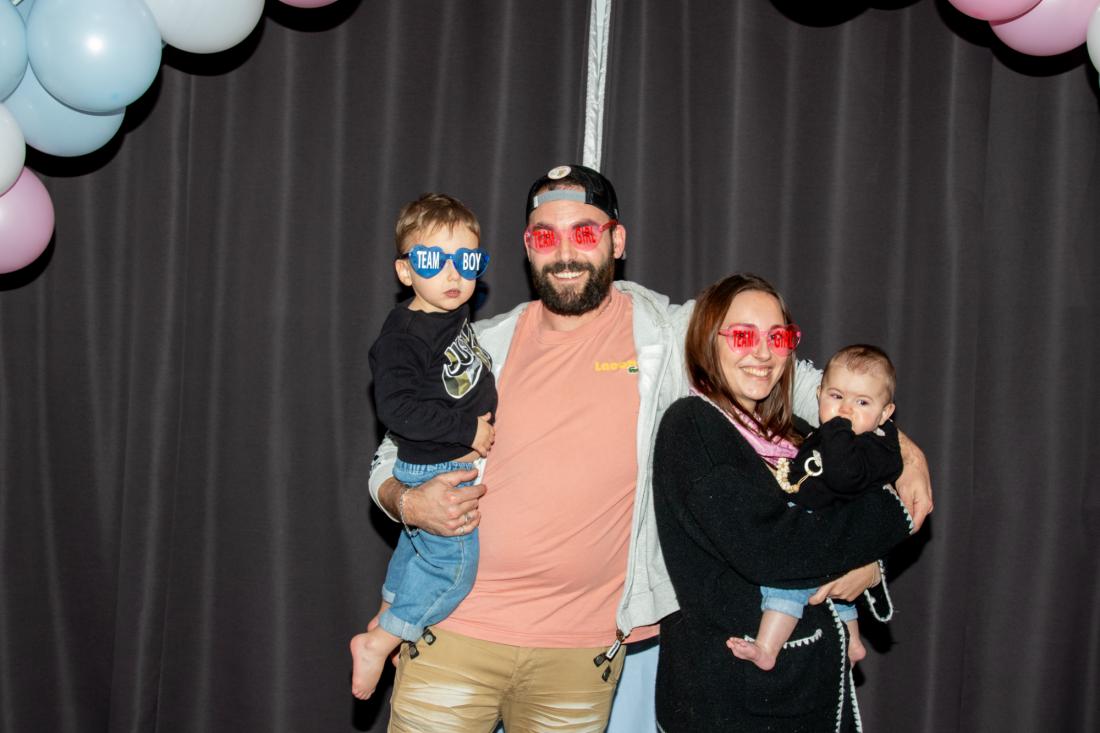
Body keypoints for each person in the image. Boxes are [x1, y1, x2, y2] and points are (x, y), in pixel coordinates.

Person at [368, 166, 933, 732]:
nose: (564, 252)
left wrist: (906, 455)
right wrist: (406, 501)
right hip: (456, 630)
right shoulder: (481, 342)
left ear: (617, 241)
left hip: (581, 656)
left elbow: (801, 383)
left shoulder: (668, 332)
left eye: (584, 232)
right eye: (545, 236)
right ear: (527, 247)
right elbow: (392, 455)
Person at [652, 273, 915, 731]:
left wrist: (870, 566)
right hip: (733, 699)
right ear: (707, 342)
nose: (763, 352)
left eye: (777, 337)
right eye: (742, 336)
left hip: (809, 687)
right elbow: (774, 549)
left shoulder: (797, 430)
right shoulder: (692, 426)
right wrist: (897, 513)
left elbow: (844, 510)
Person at [349, 193, 497, 700]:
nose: (453, 273)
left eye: (467, 261)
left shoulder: (447, 314)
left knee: (413, 555)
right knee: (453, 571)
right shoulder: (404, 336)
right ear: (405, 271)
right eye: (434, 260)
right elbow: (397, 410)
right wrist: (467, 431)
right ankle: (380, 642)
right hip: (434, 469)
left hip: (438, 462)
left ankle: (386, 615)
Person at [729, 343, 904, 672]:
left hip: (830, 528)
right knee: (832, 592)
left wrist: (836, 429)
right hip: (821, 522)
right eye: (836, 396)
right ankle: (853, 642)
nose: (846, 409)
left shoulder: (875, 447)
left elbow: (843, 475)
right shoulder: (823, 436)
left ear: (884, 413)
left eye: (862, 402)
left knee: (787, 583)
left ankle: (767, 648)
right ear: (819, 394)